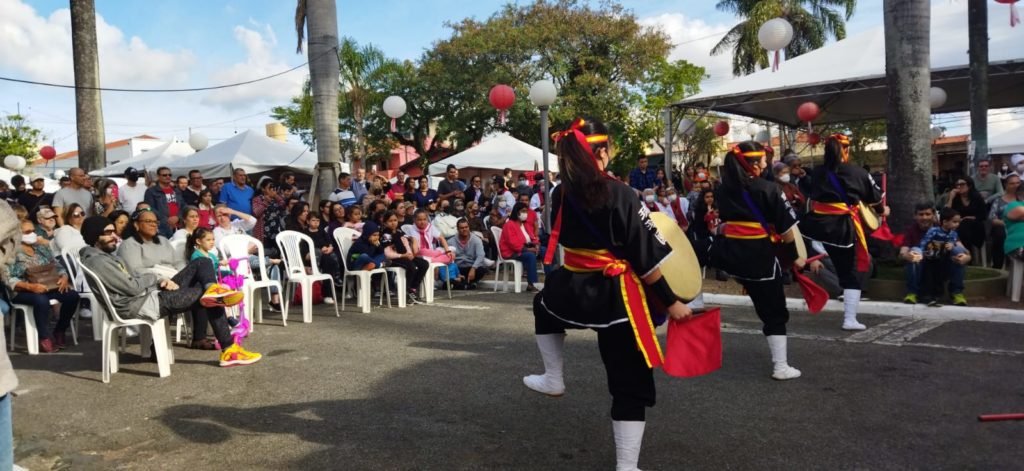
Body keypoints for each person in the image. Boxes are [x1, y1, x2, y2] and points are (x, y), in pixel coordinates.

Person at [523, 118, 693, 471]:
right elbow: (646, 260)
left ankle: (553, 377)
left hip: (571, 287)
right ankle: (626, 467)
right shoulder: (620, 193)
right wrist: (672, 300)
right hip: (617, 296)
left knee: (542, 306)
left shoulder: (560, 192)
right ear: (600, 150)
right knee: (628, 382)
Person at [79, 216, 260, 366]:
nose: (114, 236)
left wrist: (162, 281)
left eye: (113, 232)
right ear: (95, 235)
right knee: (211, 297)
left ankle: (212, 289)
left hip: (150, 295)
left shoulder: (104, 256)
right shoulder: (98, 261)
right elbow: (131, 287)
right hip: (140, 304)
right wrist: (155, 278)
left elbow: (133, 279)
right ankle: (229, 349)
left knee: (202, 263)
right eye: (107, 233)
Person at [711, 140, 808, 381]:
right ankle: (781, 367)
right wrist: (796, 258)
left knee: (760, 298)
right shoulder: (768, 188)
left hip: (731, 257)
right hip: (758, 258)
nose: (766, 164)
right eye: (764, 160)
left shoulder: (722, 189)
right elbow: (787, 231)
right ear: (753, 164)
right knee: (774, 311)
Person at [800, 134, 884, 331]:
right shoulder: (858, 172)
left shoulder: (818, 172)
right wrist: (881, 212)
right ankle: (849, 319)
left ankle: (840, 295)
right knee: (851, 271)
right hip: (842, 229)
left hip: (816, 228)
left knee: (836, 264)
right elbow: (876, 198)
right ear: (846, 150)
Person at [5, 219, 80, 353]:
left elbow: (57, 265)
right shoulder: (10, 252)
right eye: (28, 232)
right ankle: (44, 337)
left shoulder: (41, 248)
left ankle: (60, 330)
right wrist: (30, 287)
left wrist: (64, 276)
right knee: (41, 300)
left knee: (72, 296)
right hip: (21, 290)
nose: (32, 234)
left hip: (48, 286)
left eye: (33, 231)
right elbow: (7, 278)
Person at [910, 208, 970, 306]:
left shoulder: (953, 233)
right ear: (945, 222)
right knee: (930, 272)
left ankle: (955, 293)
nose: (957, 224)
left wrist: (953, 246)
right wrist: (923, 251)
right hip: (930, 258)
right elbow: (925, 241)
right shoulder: (934, 231)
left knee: (957, 253)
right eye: (954, 222)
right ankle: (925, 295)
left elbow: (954, 244)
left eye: (958, 222)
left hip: (944, 259)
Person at [381, 210, 428, 304]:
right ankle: (406, 290)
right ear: (385, 223)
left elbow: (406, 244)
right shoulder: (386, 235)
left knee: (424, 264)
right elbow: (387, 253)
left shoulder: (399, 231)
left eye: (395, 220)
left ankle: (413, 288)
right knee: (412, 267)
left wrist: (410, 253)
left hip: (405, 256)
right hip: (394, 259)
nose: (393, 223)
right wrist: (403, 255)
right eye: (390, 221)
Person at [404, 208, 460, 286]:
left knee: (451, 255)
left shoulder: (430, 227)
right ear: (414, 220)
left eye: (424, 219)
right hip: (419, 254)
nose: (422, 222)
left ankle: (431, 259)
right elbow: (415, 249)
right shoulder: (411, 229)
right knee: (423, 251)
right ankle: (437, 254)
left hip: (431, 254)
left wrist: (447, 251)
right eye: (419, 220)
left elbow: (441, 238)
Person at [499, 202, 540, 292]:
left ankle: (550, 280)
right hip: (511, 252)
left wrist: (536, 244)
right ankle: (531, 284)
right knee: (530, 256)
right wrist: (528, 249)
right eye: (523, 211)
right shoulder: (510, 224)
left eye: (526, 211)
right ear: (517, 212)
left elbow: (532, 237)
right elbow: (513, 244)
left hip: (525, 248)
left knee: (545, 251)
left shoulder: (525, 225)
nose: (525, 214)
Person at [944, 176, 987, 256]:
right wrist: (951, 198)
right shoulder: (956, 198)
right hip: (958, 225)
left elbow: (983, 215)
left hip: (975, 226)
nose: (959, 186)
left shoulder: (977, 197)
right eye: (957, 185)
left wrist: (971, 217)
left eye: (962, 184)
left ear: (969, 185)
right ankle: (965, 254)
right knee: (960, 227)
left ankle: (966, 254)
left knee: (965, 223)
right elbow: (947, 214)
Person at [989, 173, 1021, 269]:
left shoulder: (1022, 199)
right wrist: (1007, 223)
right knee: (999, 234)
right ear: (1006, 185)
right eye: (1012, 183)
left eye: (1018, 183)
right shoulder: (998, 200)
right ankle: (998, 266)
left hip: (1020, 227)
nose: (1016, 185)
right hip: (1003, 226)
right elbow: (992, 218)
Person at [144, 166, 186, 238]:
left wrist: (178, 217)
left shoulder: (176, 190)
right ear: (158, 176)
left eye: (169, 175)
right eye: (164, 175)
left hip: (179, 225)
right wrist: (166, 220)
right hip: (162, 227)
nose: (168, 177)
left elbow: (183, 206)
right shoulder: (151, 191)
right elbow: (150, 208)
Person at [448, 218, 488, 289]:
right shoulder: (451, 241)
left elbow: (481, 255)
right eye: (462, 228)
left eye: (466, 227)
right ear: (457, 229)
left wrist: (473, 268)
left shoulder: (476, 240)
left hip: (471, 267)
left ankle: (462, 284)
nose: (464, 229)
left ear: (469, 227)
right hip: (458, 268)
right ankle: (468, 284)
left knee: (482, 270)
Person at [251, 180, 287, 250]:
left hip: (276, 231)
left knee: (278, 252)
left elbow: (283, 205)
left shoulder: (276, 198)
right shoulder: (257, 199)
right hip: (264, 233)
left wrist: (276, 195)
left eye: (273, 187)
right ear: (263, 189)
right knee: (266, 253)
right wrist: (266, 201)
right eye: (269, 187)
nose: (272, 189)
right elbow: (256, 213)